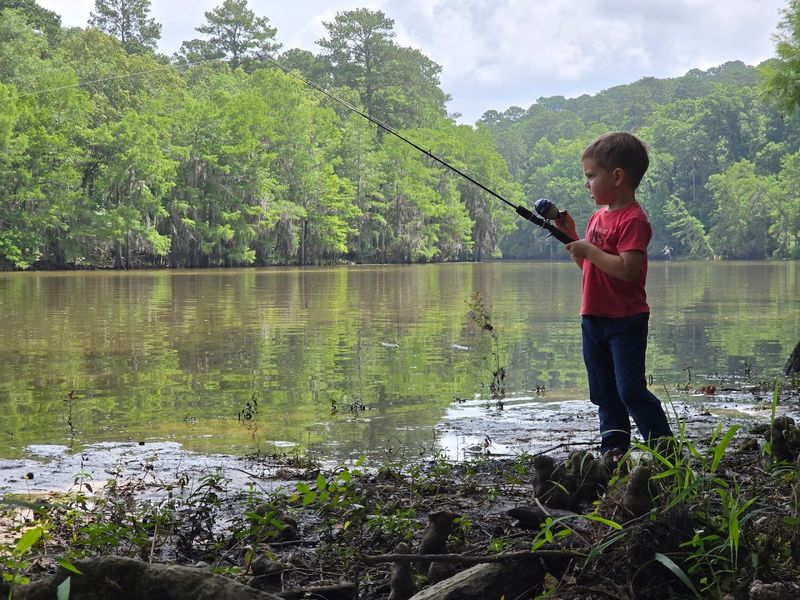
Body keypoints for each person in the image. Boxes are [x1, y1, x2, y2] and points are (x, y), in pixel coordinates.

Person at [554, 131, 673, 456]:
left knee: (630, 389)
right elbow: (591, 267)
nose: (586, 184)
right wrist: (573, 237)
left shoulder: (634, 220)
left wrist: (589, 250)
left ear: (617, 176)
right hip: (592, 317)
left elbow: (627, 269)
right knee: (604, 391)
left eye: (591, 176)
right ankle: (614, 451)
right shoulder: (597, 217)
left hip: (626, 320)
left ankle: (666, 452)